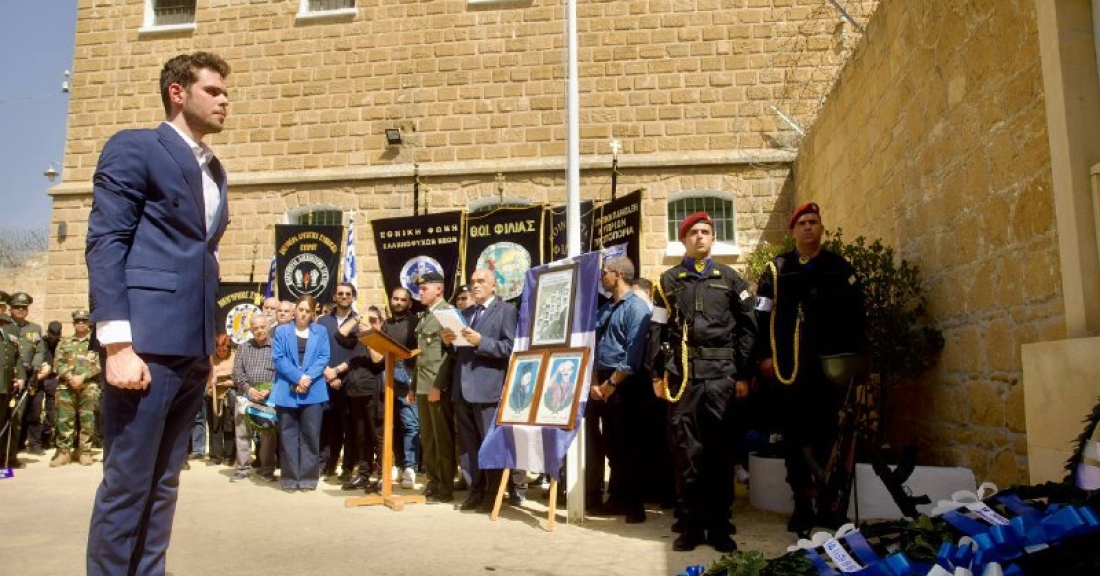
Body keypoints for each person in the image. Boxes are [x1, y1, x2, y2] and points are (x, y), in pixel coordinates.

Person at [85, 51, 231, 575]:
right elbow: (106, 241)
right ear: (178, 92)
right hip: (143, 345)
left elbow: (203, 259)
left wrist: (209, 346)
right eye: (213, 90)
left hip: (190, 351)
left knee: (166, 481)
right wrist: (117, 344)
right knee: (127, 483)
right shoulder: (136, 147)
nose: (224, 100)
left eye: (224, 92)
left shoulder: (215, 169)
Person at [754, 202, 866, 535]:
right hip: (789, 371)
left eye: (813, 222)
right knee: (794, 440)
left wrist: (857, 363)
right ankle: (802, 505)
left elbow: (858, 318)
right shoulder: (777, 270)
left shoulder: (839, 268)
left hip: (829, 372)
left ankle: (829, 505)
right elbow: (760, 317)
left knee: (828, 438)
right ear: (793, 231)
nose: (808, 227)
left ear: (821, 228)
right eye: (802, 222)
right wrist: (763, 357)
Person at [650, 211, 757, 553]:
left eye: (706, 232)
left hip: (721, 379)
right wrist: (657, 373)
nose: (700, 236)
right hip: (684, 381)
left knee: (720, 454)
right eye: (693, 232)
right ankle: (691, 525)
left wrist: (741, 373)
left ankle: (720, 526)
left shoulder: (731, 280)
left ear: (713, 238)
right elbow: (657, 329)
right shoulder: (667, 282)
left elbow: (748, 328)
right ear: (683, 240)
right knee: (686, 453)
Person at [443, 268, 522, 511]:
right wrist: (449, 342)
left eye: (481, 281)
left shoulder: (507, 311)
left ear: (493, 286)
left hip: (488, 388)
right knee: (468, 446)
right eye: (472, 281)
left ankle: (494, 492)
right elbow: (459, 351)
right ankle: (474, 490)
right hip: (463, 388)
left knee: (491, 443)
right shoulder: (465, 313)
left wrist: (482, 342)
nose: (475, 285)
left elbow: (511, 348)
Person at [587, 256, 652, 523]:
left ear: (618, 275)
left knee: (629, 446)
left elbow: (633, 354)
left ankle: (635, 506)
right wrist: (595, 381)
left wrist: (611, 384)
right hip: (603, 382)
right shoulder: (606, 309)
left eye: (605, 272)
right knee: (613, 446)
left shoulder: (637, 308)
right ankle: (617, 499)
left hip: (624, 385)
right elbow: (593, 343)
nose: (602, 277)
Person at [271, 295, 330, 492]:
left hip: (313, 391)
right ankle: (289, 479)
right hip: (287, 389)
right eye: (300, 309)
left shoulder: (320, 331)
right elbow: (279, 359)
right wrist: (298, 378)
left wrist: (307, 379)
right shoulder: (281, 331)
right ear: (295, 310)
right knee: (288, 436)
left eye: (307, 311)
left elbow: (323, 357)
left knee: (310, 436)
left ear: (313, 314)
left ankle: (307, 479)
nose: (303, 314)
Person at [413, 272, 456, 504]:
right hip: (422, 385)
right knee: (428, 438)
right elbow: (422, 356)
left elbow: (450, 356)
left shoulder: (447, 314)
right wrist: (413, 386)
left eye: (424, 288)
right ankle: (433, 481)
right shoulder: (427, 316)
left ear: (439, 289)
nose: (420, 292)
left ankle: (445, 487)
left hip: (436, 386)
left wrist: (438, 386)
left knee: (442, 439)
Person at [230, 313, 278, 482]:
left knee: (268, 435)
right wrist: (249, 389)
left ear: (269, 327)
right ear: (250, 329)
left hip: (268, 398)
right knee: (242, 434)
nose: (259, 331)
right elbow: (236, 373)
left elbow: (281, 372)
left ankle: (267, 470)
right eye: (255, 328)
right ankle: (242, 469)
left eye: (262, 327)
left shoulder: (277, 347)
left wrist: (269, 388)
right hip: (245, 396)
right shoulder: (243, 348)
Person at [341, 305, 384, 492]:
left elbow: (378, 360)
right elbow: (339, 335)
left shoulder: (382, 339)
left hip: (374, 393)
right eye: (369, 320)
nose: (370, 323)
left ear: (381, 323)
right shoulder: (357, 338)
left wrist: (370, 337)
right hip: (354, 392)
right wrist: (357, 319)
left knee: (377, 436)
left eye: (374, 320)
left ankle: (384, 476)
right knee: (361, 436)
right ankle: (363, 474)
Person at [50, 309, 101, 467]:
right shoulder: (64, 342)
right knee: (64, 420)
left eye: (84, 321)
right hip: (66, 386)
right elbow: (57, 362)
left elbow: (100, 363)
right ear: (73, 324)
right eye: (77, 321)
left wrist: (83, 376)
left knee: (87, 420)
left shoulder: (96, 343)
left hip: (88, 386)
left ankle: (84, 452)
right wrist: (70, 377)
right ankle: (64, 452)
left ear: (89, 324)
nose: (80, 324)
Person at [381, 287, 419, 489]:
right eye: (395, 299)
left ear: (409, 303)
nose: (398, 302)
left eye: (402, 300)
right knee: (390, 423)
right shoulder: (385, 324)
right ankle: (396, 463)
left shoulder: (415, 323)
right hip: (387, 377)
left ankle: (410, 467)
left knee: (410, 424)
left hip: (408, 377)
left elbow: (418, 351)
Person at [319, 283, 357, 479]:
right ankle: (325, 464)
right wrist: (328, 372)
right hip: (324, 380)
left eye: (348, 294)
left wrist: (339, 371)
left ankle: (347, 468)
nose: (344, 296)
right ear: (334, 297)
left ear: (353, 297)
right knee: (326, 425)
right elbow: (316, 350)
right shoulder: (322, 322)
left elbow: (360, 352)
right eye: (340, 293)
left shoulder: (359, 322)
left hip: (349, 381)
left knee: (348, 427)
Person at [8, 292, 47, 466]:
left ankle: (10, 456)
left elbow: (40, 350)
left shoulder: (34, 329)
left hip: (25, 378)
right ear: (10, 308)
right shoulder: (4, 325)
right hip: (6, 378)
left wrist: (35, 366)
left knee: (17, 419)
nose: (20, 310)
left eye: (24, 308)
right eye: (17, 307)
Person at [205, 333, 236, 466]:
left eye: (224, 350)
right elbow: (206, 377)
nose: (222, 352)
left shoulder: (235, 357)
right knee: (215, 426)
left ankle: (230, 455)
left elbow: (239, 376)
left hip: (229, 396)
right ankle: (216, 455)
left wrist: (228, 382)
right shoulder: (210, 359)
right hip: (214, 396)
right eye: (219, 349)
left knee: (230, 427)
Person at [0, 291, 22, 469]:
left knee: (5, 424)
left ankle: (2, 464)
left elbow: (17, 356)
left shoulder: (11, 327)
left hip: (5, 385)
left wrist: (20, 376)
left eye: (1, 307)